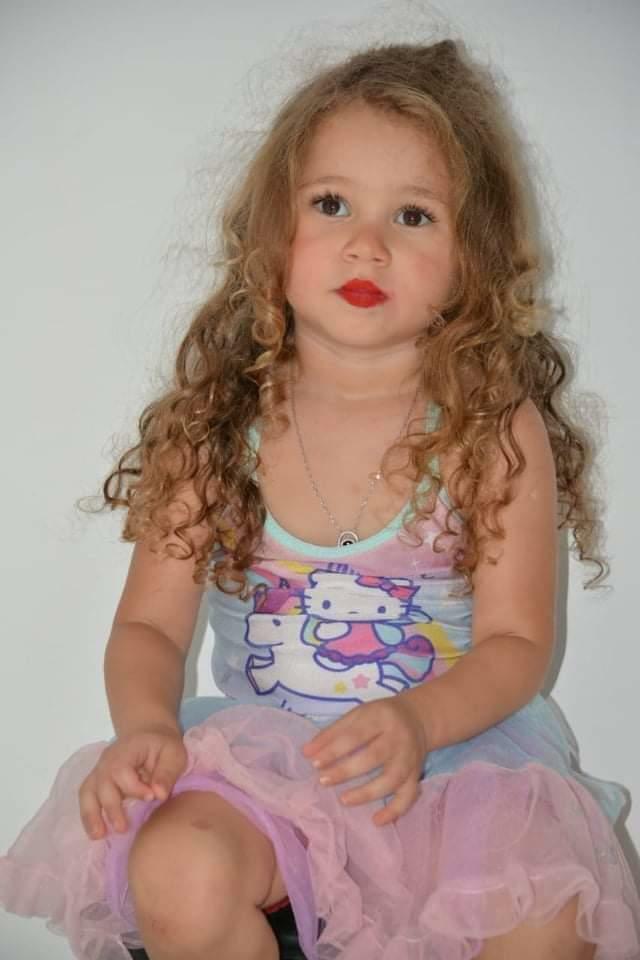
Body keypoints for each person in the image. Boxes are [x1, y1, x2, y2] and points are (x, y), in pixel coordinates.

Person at [1, 37, 639, 960]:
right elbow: (147, 628)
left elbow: (515, 644)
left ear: (473, 259)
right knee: (176, 865)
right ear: (271, 233)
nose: (367, 243)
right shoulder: (216, 426)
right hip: (267, 780)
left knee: (545, 910)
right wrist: (145, 726)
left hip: (448, 768)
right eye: (331, 203)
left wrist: (418, 722)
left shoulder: (490, 431)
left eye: (414, 215)